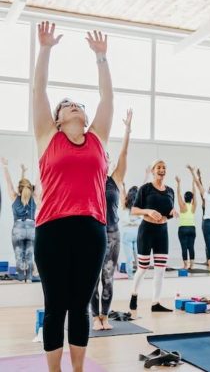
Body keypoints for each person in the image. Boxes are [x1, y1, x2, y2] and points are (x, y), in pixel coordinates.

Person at [32, 21, 112, 372]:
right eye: (68, 105)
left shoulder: (97, 139)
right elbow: (38, 90)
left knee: (80, 306)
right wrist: (46, 48)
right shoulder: (48, 138)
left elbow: (107, 99)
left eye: (79, 103)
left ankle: (78, 370)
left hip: (92, 229)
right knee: (55, 307)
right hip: (51, 230)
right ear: (59, 119)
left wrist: (101, 59)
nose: (75, 106)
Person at [90, 109, 132, 330]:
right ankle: (95, 316)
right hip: (91, 232)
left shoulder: (114, 180)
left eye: (106, 157)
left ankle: (105, 315)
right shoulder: (87, 180)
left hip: (113, 232)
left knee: (108, 276)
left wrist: (127, 130)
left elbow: (124, 155)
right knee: (91, 279)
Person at [129, 160, 177, 313]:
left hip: (162, 232)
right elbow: (134, 210)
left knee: (160, 269)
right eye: (159, 167)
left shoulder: (170, 191)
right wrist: (148, 211)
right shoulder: (145, 189)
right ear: (153, 171)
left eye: (164, 167)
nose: (162, 169)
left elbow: (168, 211)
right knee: (142, 268)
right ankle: (134, 294)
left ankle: (156, 303)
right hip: (146, 230)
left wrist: (172, 213)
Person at [2, 158, 39, 282]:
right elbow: (34, 183)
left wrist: (5, 166)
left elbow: (10, 184)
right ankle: (28, 277)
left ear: (20, 189)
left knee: (19, 255)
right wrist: (40, 166)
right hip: (32, 228)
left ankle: (21, 276)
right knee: (29, 254)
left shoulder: (14, 197)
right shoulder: (35, 197)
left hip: (18, 228)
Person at [175, 173, 197, 271]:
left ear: (185, 198)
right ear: (191, 199)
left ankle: (185, 265)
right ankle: (192, 265)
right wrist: (193, 183)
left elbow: (178, 194)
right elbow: (195, 194)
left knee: (184, 247)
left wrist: (178, 183)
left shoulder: (182, 206)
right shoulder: (193, 206)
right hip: (192, 228)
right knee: (191, 247)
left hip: (183, 228)